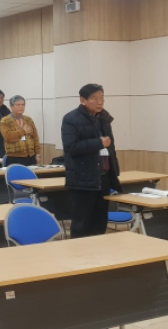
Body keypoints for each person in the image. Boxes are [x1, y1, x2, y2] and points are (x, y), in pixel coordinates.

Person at [62, 84, 122, 238]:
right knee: (81, 225)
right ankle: (78, 252)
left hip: (103, 177)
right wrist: (99, 143)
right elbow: (71, 147)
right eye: (95, 98)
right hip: (82, 179)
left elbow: (110, 147)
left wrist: (114, 171)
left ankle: (98, 252)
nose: (100, 102)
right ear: (83, 100)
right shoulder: (70, 119)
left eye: (102, 97)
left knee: (100, 223)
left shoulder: (104, 118)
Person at [0, 95, 40, 166]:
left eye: (23, 105)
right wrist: (23, 131)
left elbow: (35, 137)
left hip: (31, 156)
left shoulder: (28, 120)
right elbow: (8, 137)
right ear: (11, 106)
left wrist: (37, 153)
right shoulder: (5, 121)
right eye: (18, 105)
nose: (21, 107)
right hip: (14, 157)